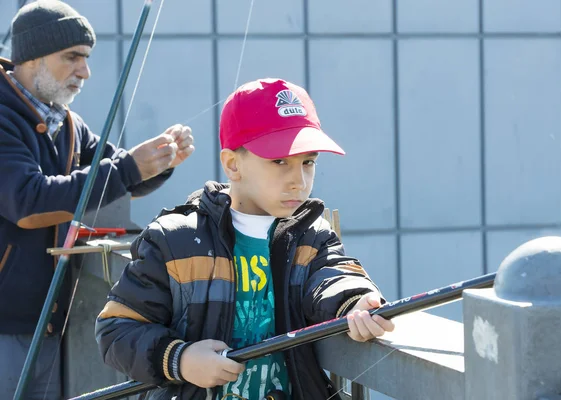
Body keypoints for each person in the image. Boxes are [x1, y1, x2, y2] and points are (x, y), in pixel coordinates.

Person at [95, 77, 394, 400]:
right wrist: (180, 360)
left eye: (308, 162)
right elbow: (116, 331)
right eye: (280, 161)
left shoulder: (312, 233)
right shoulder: (174, 239)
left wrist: (356, 302)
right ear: (233, 164)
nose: (299, 180)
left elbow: (334, 275)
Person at [0, 1, 195, 398]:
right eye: (71, 57)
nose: (84, 71)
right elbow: (27, 202)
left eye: (86, 58)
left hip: (48, 322)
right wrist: (130, 168)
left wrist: (160, 160)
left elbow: (118, 177)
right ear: (32, 58)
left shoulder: (67, 122)